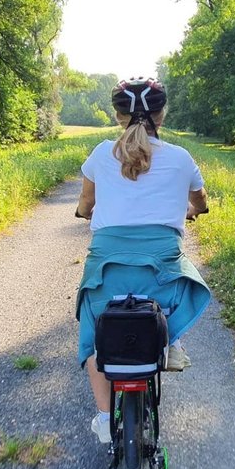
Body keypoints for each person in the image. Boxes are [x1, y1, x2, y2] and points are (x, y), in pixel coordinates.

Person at [75, 77, 211, 443]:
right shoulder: (181, 158)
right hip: (159, 270)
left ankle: (106, 419)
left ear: (118, 115)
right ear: (162, 114)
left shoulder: (101, 154)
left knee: (93, 339)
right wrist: (190, 209)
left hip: (108, 268)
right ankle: (172, 338)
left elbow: (86, 204)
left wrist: (86, 212)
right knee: (177, 280)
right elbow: (200, 202)